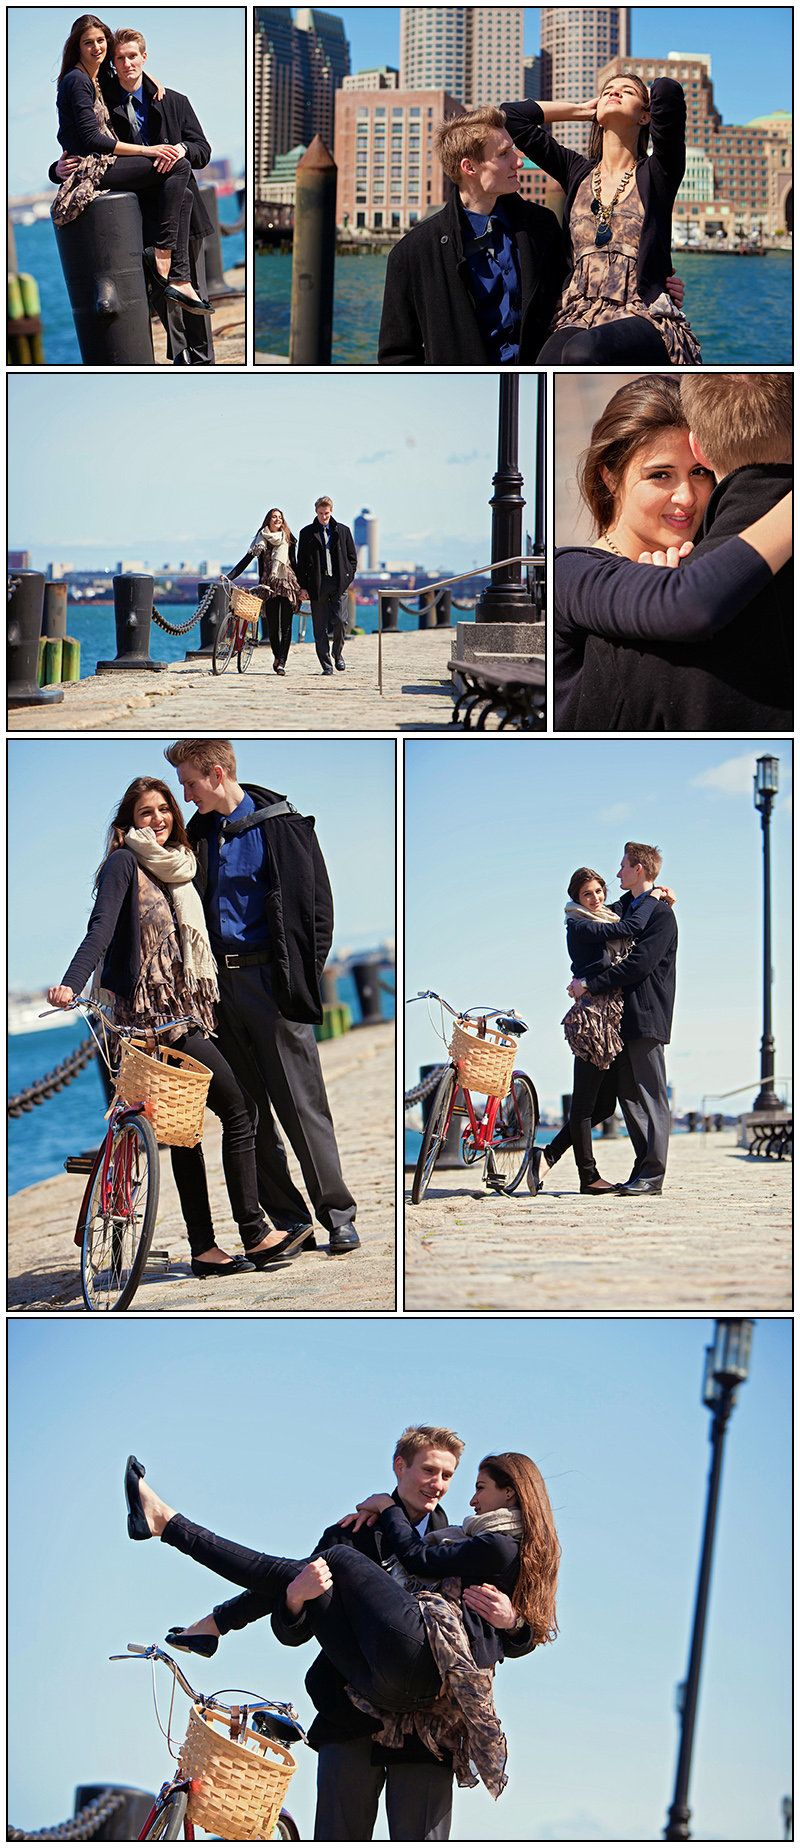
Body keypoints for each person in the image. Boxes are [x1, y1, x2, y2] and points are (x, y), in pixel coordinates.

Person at [124, 1435, 559, 1809]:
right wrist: (295, 1598)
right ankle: (206, 1604)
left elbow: (505, 1634)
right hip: (354, 1709)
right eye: (429, 1470)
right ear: (399, 1466)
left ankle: (197, 1585)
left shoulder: (463, 1537)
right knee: (303, 1572)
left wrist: (515, 1621)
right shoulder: (351, 1532)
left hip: (425, 1728)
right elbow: (291, 1630)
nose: (441, 1486)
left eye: (449, 1475)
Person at [47, 778, 309, 1276]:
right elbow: (100, 928)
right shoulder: (125, 862)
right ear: (128, 821)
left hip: (182, 1012)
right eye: (147, 812)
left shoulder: (177, 869)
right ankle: (254, 1233)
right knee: (240, 1109)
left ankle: (205, 1251)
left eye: (165, 809)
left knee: (185, 1131)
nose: (159, 819)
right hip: (152, 1021)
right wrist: (69, 983)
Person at [164, 740, 359, 1255]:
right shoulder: (198, 836)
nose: (185, 795)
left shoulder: (283, 826)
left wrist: (298, 977)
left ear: (219, 773)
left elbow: (319, 912)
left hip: (272, 986)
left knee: (302, 1105)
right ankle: (292, 1220)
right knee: (247, 1113)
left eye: (190, 783)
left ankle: (338, 1215)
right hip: (216, 994)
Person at [553, 375, 793, 729]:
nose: (687, 497)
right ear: (610, 477)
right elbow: (688, 602)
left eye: (698, 472)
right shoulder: (570, 571)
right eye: (660, 475)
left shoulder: (708, 559)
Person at [504, 74, 700, 364]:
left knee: (584, 352)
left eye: (627, 91)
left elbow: (669, 93)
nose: (615, 93)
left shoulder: (658, 173)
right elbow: (512, 116)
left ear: (646, 116)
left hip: (641, 311)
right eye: (608, 90)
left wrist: (646, 93)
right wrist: (583, 111)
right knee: (542, 363)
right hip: (577, 312)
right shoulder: (576, 171)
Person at [50, 14, 211, 317]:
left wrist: (150, 79)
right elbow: (91, 139)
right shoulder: (77, 80)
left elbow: (130, 76)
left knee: (185, 191)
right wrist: (149, 151)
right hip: (93, 168)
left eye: (100, 41)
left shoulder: (95, 78)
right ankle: (163, 260)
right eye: (89, 42)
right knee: (177, 166)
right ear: (77, 46)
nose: (96, 47)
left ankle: (179, 279)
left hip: (99, 165)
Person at [378, 107, 565, 366]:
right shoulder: (411, 254)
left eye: (513, 149)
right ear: (469, 167)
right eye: (504, 154)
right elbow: (397, 357)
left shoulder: (542, 225)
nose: (518, 161)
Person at [531, 866, 668, 1197]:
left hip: (611, 1018)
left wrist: (654, 890)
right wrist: (655, 895)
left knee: (605, 1105)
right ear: (576, 899)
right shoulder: (580, 923)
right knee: (583, 1105)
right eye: (586, 894)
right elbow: (631, 924)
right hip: (592, 1018)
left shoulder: (602, 914)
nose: (594, 898)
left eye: (598, 891)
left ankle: (546, 1156)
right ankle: (588, 1177)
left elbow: (623, 908)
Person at [567, 844, 677, 1198]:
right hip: (622, 1018)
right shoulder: (626, 910)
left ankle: (653, 1175)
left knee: (651, 1096)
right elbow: (594, 911)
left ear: (640, 870)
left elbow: (638, 965)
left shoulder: (659, 915)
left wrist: (589, 985)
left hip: (646, 1014)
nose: (617, 874)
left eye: (623, 867)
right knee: (629, 1097)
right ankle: (642, 1167)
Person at [226, 508, 303, 676]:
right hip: (268, 586)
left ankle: (281, 662)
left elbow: (295, 564)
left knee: (287, 626)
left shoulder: (289, 539)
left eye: (280, 518)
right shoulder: (261, 540)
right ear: (268, 520)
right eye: (274, 517)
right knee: (272, 626)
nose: (277, 520)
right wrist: (230, 576)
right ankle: (277, 656)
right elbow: (247, 560)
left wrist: (302, 588)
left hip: (287, 584)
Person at [296, 498, 357, 676]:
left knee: (340, 620)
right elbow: (301, 563)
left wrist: (347, 577)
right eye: (321, 513)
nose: (324, 516)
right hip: (317, 584)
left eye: (327, 513)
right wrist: (303, 587)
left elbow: (352, 558)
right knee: (319, 627)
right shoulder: (306, 533)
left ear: (331, 511)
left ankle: (337, 654)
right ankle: (326, 664)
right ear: (316, 512)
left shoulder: (343, 531)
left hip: (338, 584)